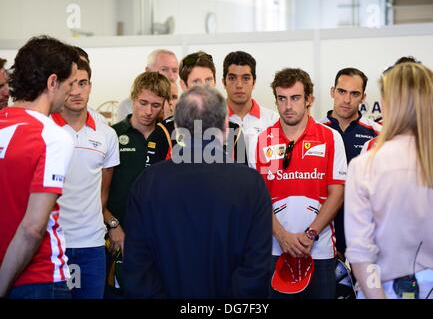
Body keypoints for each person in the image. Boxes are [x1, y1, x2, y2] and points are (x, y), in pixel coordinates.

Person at [122, 85, 273, 298]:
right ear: (225, 127)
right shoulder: (251, 185)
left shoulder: (147, 183)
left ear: (176, 126)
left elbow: (137, 268)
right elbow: (257, 269)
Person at [345, 62, 433, 299]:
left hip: (383, 290)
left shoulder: (366, 166)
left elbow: (362, 255)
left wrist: (377, 295)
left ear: (389, 103)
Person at [256, 68, 347, 299]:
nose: (288, 106)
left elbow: (337, 193)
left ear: (309, 100)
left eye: (295, 98)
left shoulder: (329, 137)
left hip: (319, 251)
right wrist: (282, 236)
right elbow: (259, 198)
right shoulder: (264, 139)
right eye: (282, 98)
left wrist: (310, 235)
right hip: (276, 250)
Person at [0, 35, 78, 298]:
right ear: (52, 82)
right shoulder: (53, 135)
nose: (72, 93)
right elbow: (33, 228)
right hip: (40, 278)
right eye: (69, 84)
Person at [51, 59, 120, 299]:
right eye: (71, 84)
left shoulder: (107, 135)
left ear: (91, 86)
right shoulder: (45, 130)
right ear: (59, 86)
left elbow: (103, 192)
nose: (77, 91)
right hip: (53, 246)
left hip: (92, 245)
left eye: (83, 83)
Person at [104, 71, 172, 297]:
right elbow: (98, 192)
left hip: (158, 238)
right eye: (143, 103)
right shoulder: (113, 135)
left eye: (155, 105)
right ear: (132, 98)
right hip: (118, 236)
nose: (148, 111)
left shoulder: (170, 137)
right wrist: (113, 226)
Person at [319, 67, 381, 259]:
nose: (346, 100)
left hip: (365, 237)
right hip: (322, 237)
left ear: (363, 97)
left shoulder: (377, 134)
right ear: (332, 91)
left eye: (354, 94)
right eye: (341, 92)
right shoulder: (314, 131)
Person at [178, 51, 247, 164]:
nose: (204, 87)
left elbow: (243, 177)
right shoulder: (166, 131)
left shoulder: (234, 131)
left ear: (215, 82)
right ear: (183, 85)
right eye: (196, 81)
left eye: (208, 80)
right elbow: (158, 175)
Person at [222, 51, 278, 166]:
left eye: (246, 78)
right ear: (224, 82)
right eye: (232, 78)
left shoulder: (273, 121)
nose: (239, 85)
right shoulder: (211, 121)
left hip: (262, 184)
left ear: (254, 82)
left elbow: (276, 167)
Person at [117, 49, 179, 122]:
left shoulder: (184, 104)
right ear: (148, 71)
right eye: (164, 69)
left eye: (175, 71)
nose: (171, 76)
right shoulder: (127, 106)